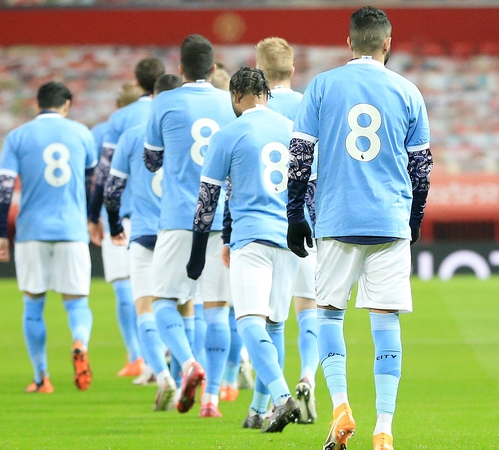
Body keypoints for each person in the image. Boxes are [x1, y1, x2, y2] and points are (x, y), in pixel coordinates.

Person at [285, 7, 432, 450]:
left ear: (349, 43)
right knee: (386, 322)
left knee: (329, 313)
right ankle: (384, 428)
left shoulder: (323, 86)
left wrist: (295, 213)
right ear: (388, 44)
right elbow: (421, 169)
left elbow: (299, 155)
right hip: (389, 220)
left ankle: (341, 406)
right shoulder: (408, 91)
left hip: (336, 218)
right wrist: (414, 219)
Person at [187, 67, 301, 432]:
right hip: (288, 239)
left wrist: (197, 252)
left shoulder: (228, 134)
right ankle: (257, 410)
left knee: (250, 322)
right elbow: (309, 188)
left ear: (235, 96)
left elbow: (208, 199)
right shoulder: (291, 130)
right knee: (276, 325)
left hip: (251, 238)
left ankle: (282, 398)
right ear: (267, 94)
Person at [144, 34, 236, 418]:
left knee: (163, 300)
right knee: (217, 310)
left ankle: (187, 363)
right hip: (223, 219)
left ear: (180, 68)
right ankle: (212, 399)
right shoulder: (229, 103)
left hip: (179, 217)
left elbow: (151, 160)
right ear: (213, 69)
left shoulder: (164, 102)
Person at [0, 81, 98, 394]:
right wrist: (92, 220)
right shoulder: (82, 133)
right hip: (72, 230)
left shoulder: (18, 136)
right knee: (77, 303)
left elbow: (4, 189)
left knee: (33, 305)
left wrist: (0, 232)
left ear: (37, 104)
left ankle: (42, 378)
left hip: (32, 232)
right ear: (66, 104)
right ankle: (79, 342)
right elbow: (93, 183)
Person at [104, 73, 184, 409]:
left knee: (145, 308)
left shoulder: (132, 135)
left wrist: (113, 225)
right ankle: (185, 374)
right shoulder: (188, 133)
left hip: (144, 232)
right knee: (185, 308)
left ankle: (162, 377)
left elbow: (112, 189)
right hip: (180, 230)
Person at [256, 36, 319, 425]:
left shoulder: (252, 111)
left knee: (267, 319)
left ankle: (267, 402)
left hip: (264, 224)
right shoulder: (309, 105)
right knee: (308, 306)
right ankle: (308, 375)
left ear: (258, 71)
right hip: (308, 219)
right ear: (292, 70)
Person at [91, 62, 163, 381]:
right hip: (172, 216)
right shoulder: (172, 112)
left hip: (127, 215)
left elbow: (102, 173)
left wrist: (94, 215)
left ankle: (139, 356)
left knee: (127, 288)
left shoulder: (114, 124)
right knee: (176, 295)